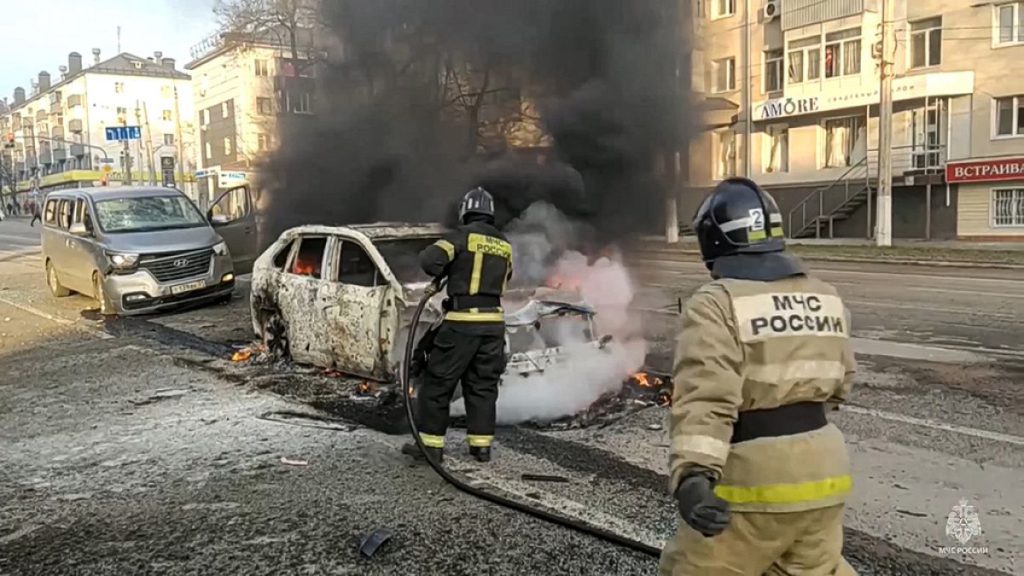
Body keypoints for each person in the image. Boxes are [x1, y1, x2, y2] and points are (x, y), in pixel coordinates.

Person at [660, 177, 858, 576]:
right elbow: (842, 384)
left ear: (712, 241)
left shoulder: (716, 303)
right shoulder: (825, 296)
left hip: (756, 482)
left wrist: (694, 476)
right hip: (827, 471)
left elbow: (706, 397)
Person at [402, 186, 513, 464]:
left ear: (466, 210)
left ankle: (431, 447)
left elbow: (429, 261)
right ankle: (481, 447)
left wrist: (449, 268)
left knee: (437, 383)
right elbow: (506, 279)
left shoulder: (460, 237)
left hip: (462, 322)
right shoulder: (504, 244)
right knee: (483, 386)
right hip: (494, 324)